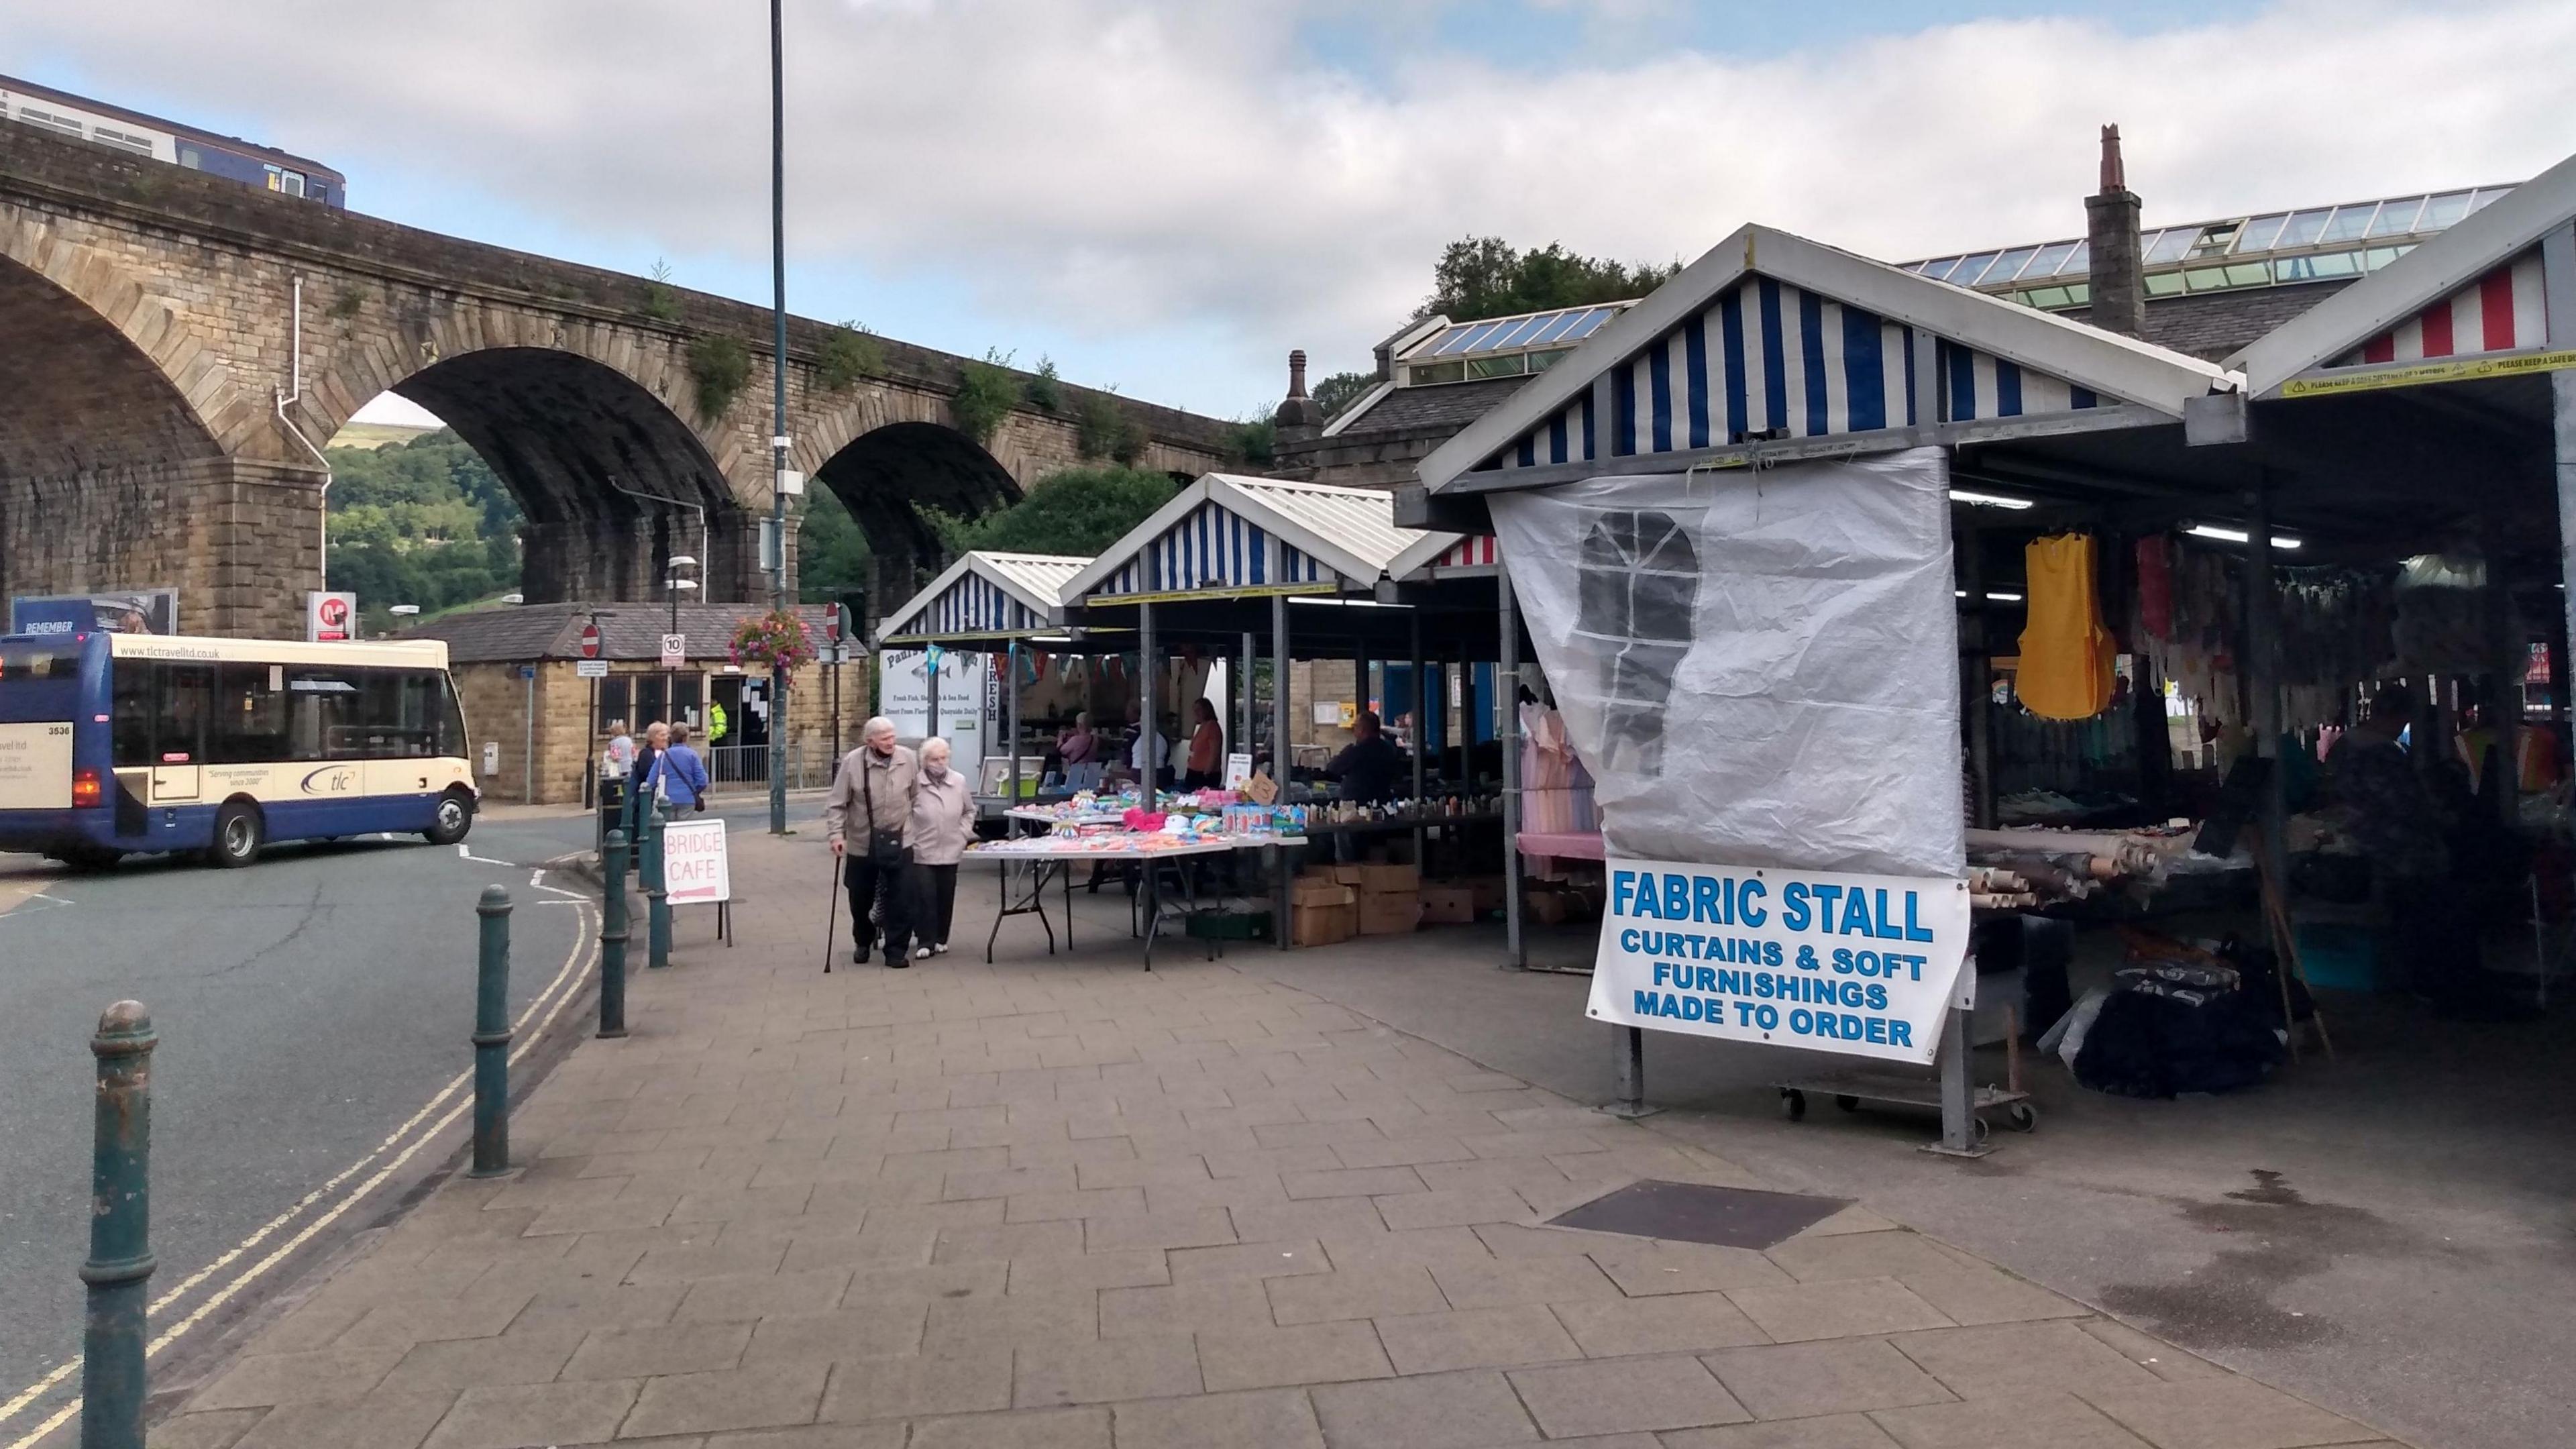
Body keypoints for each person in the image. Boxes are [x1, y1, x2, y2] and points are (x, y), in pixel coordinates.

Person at [2328, 684, 2516, 1018]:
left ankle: (2425, 981)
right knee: (2439, 911)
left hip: (2366, 840)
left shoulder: (2345, 748)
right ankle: (2445, 986)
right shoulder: (2382, 754)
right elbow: (2407, 805)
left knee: (2414, 917)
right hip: (2400, 849)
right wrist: (2444, 816)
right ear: (2397, 716)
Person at [824, 716, 921, 967]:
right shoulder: (853, 762)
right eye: (885, 738)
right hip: (862, 842)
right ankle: (863, 941)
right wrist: (836, 835)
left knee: (902, 898)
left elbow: (915, 795)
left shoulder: (908, 758)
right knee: (860, 898)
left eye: (893, 736)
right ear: (870, 741)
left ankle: (896, 950)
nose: (891, 742)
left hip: (900, 840)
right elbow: (836, 804)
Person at [906, 737, 977, 959]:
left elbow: (969, 810)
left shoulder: (959, 781)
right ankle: (925, 941)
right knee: (924, 896)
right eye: (935, 759)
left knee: (946, 895)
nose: (940, 763)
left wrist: (963, 833)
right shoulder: (915, 783)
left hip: (951, 848)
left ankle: (941, 938)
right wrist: (910, 837)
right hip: (922, 849)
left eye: (943, 758)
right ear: (925, 761)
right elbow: (905, 813)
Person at [1325, 709, 1403, 806]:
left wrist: (1345, 752)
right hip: (1383, 801)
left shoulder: (1357, 751)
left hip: (1356, 803)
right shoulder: (1388, 749)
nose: (1353, 729)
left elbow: (1333, 768)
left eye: (1355, 726)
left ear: (1362, 729)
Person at [647, 722, 711, 812]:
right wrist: (692, 790)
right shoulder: (692, 755)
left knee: (668, 826)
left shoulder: (664, 756)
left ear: (671, 738)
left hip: (666, 800)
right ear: (686, 737)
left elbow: (651, 781)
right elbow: (702, 781)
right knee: (684, 826)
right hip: (687, 799)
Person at [1183, 700, 1224, 788]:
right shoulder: (1202, 726)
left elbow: (1215, 751)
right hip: (1193, 771)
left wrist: (1207, 771)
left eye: (1199, 710)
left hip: (1204, 774)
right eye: (1194, 710)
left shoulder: (1212, 726)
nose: (1196, 713)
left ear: (1207, 710)